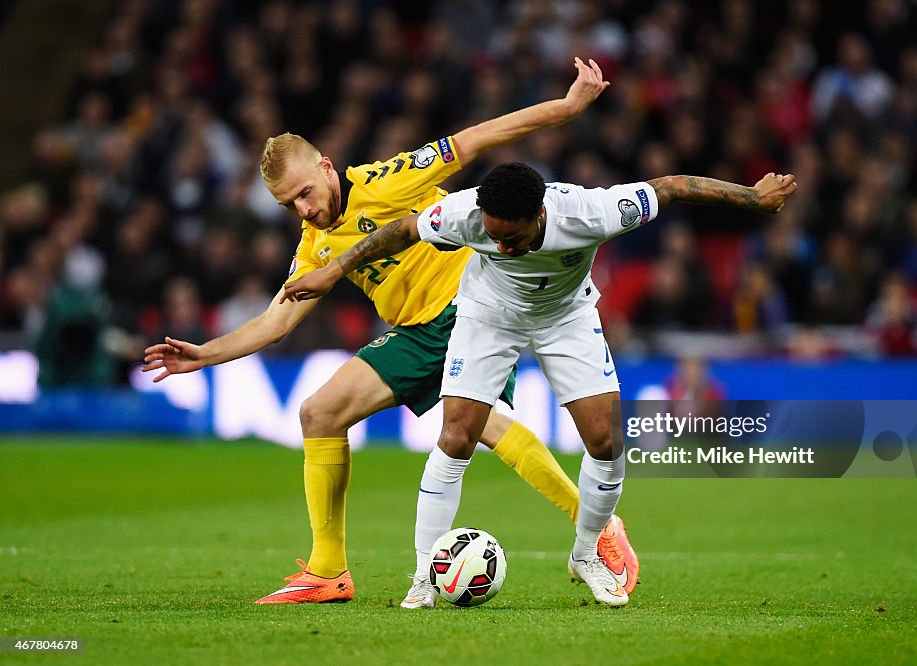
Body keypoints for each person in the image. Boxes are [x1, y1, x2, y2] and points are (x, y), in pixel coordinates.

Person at [142, 58, 639, 605]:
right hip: (418, 332)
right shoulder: (316, 244)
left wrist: (567, 108)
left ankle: (330, 569)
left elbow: (477, 139)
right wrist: (205, 354)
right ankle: (596, 526)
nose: (305, 211)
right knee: (473, 428)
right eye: (290, 206)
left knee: (325, 412)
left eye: (307, 193)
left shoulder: (391, 178)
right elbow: (277, 320)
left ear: (328, 167)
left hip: (466, 311)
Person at [281, 163, 798, 606]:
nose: (502, 245)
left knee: (607, 441)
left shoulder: (592, 211)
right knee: (457, 435)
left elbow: (672, 186)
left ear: (541, 215)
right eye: (493, 234)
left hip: (566, 317)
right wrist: (335, 271)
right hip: (488, 315)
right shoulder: (466, 212)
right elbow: (402, 230)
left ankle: (586, 552)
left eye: (514, 236)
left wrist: (751, 197)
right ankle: (425, 574)